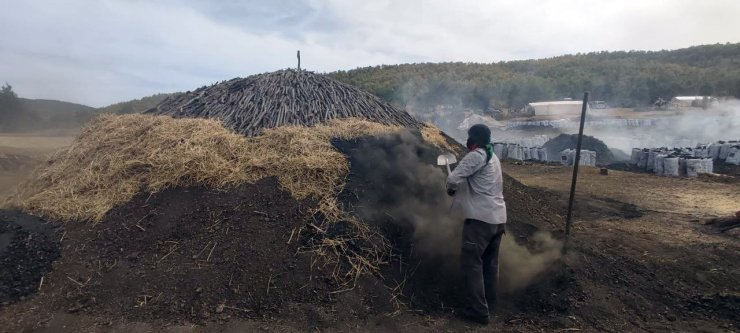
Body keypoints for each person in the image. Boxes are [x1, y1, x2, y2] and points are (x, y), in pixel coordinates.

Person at [446, 124, 507, 325]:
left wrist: (451, 189)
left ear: (474, 140)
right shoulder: (493, 157)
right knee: (490, 264)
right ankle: (490, 302)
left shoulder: (476, 155)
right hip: (498, 219)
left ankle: (478, 311)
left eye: (469, 138)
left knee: (472, 264)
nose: (467, 142)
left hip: (480, 221)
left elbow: (453, 178)